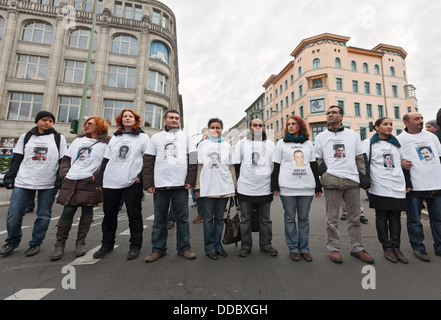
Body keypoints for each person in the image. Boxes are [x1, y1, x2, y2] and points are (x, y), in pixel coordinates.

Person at [0, 111, 67, 257]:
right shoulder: (26, 137)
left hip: (48, 183)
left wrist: (60, 178)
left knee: (43, 215)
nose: (47, 123)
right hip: (24, 180)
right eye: (44, 120)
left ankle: (36, 242)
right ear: (37, 121)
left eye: (50, 121)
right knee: (14, 213)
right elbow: (17, 158)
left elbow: (63, 160)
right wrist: (10, 176)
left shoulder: (58, 138)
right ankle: (12, 240)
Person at [314, 105, 374, 264]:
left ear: (341, 117)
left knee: (354, 218)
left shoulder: (352, 135)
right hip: (332, 180)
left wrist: (363, 178)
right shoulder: (321, 136)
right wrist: (325, 173)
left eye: (333, 112)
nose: (330, 114)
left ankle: (357, 248)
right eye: (328, 112)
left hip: (352, 180)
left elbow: (360, 157)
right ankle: (333, 248)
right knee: (331, 219)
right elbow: (317, 158)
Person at [50, 117, 110, 261]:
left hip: (89, 182)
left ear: (99, 126)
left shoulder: (106, 143)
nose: (87, 126)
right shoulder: (77, 141)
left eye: (91, 124)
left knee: (87, 212)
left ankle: (80, 243)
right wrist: (64, 173)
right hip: (72, 179)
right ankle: (59, 245)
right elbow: (65, 159)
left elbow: (107, 162)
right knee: (68, 211)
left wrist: (96, 176)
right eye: (86, 123)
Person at [93, 109, 150, 260]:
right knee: (109, 215)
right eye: (125, 116)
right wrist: (100, 179)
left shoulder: (143, 138)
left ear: (136, 120)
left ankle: (135, 245)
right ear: (121, 120)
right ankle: (107, 244)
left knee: (134, 215)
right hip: (111, 181)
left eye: (130, 116)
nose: (127, 118)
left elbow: (148, 159)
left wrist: (141, 177)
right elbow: (106, 159)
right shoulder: (115, 138)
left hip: (132, 181)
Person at [143, 109, 197, 263]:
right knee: (159, 220)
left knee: (183, 219)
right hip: (160, 185)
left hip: (181, 185)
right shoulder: (155, 138)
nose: (174, 120)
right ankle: (157, 250)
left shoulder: (186, 137)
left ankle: (184, 248)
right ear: (164, 120)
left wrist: (190, 180)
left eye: (177, 118)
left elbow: (193, 159)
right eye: (171, 118)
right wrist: (149, 183)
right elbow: (148, 162)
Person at [271, 116, 322, 262]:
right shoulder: (281, 143)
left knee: (304, 218)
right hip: (287, 187)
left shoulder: (307, 144)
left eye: (294, 124)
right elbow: (277, 166)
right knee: (289, 218)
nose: (290, 126)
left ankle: (304, 248)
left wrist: (318, 186)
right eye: (288, 124)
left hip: (306, 186)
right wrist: (274, 186)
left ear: (300, 126)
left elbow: (313, 165)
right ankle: (293, 247)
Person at [397, 112, 441, 261]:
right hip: (415, 187)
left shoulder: (431, 137)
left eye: (421, 118)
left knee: (438, 219)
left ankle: (439, 246)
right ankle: (418, 247)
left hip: (437, 184)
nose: (421, 121)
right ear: (406, 123)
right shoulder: (400, 140)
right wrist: (401, 164)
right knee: (414, 219)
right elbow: (397, 162)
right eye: (417, 119)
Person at [363, 117, 408, 263]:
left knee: (395, 217)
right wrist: (365, 182)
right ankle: (387, 247)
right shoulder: (369, 143)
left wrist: (408, 183)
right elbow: (364, 163)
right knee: (381, 216)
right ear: (377, 128)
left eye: (390, 124)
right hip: (379, 185)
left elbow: (404, 163)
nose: (389, 127)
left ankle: (396, 247)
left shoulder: (396, 144)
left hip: (396, 184)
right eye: (385, 124)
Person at [234, 118, 277, 258]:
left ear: (263, 128)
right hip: (245, 188)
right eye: (255, 125)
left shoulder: (270, 144)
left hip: (264, 188)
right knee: (245, 219)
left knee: (265, 220)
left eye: (260, 125)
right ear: (250, 127)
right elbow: (236, 165)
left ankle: (266, 245)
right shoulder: (241, 144)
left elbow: (274, 166)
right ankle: (246, 245)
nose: (258, 127)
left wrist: (273, 185)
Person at [195, 118, 236, 260]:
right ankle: (209, 248)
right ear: (209, 129)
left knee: (219, 218)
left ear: (221, 129)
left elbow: (231, 167)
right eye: (212, 127)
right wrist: (197, 186)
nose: (215, 129)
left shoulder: (227, 145)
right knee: (207, 219)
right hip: (208, 187)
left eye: (218, 127)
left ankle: (218, 245)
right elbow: (199, 167)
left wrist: (234, 187)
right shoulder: (202, 145)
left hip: (224, 187)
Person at [193, 128, 209, 224]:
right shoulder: (199, 145)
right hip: (201, 173)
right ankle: (201, 214)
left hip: (211, 174)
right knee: (200, 197)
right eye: (205, 135)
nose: (206, 136)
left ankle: (210, 214)